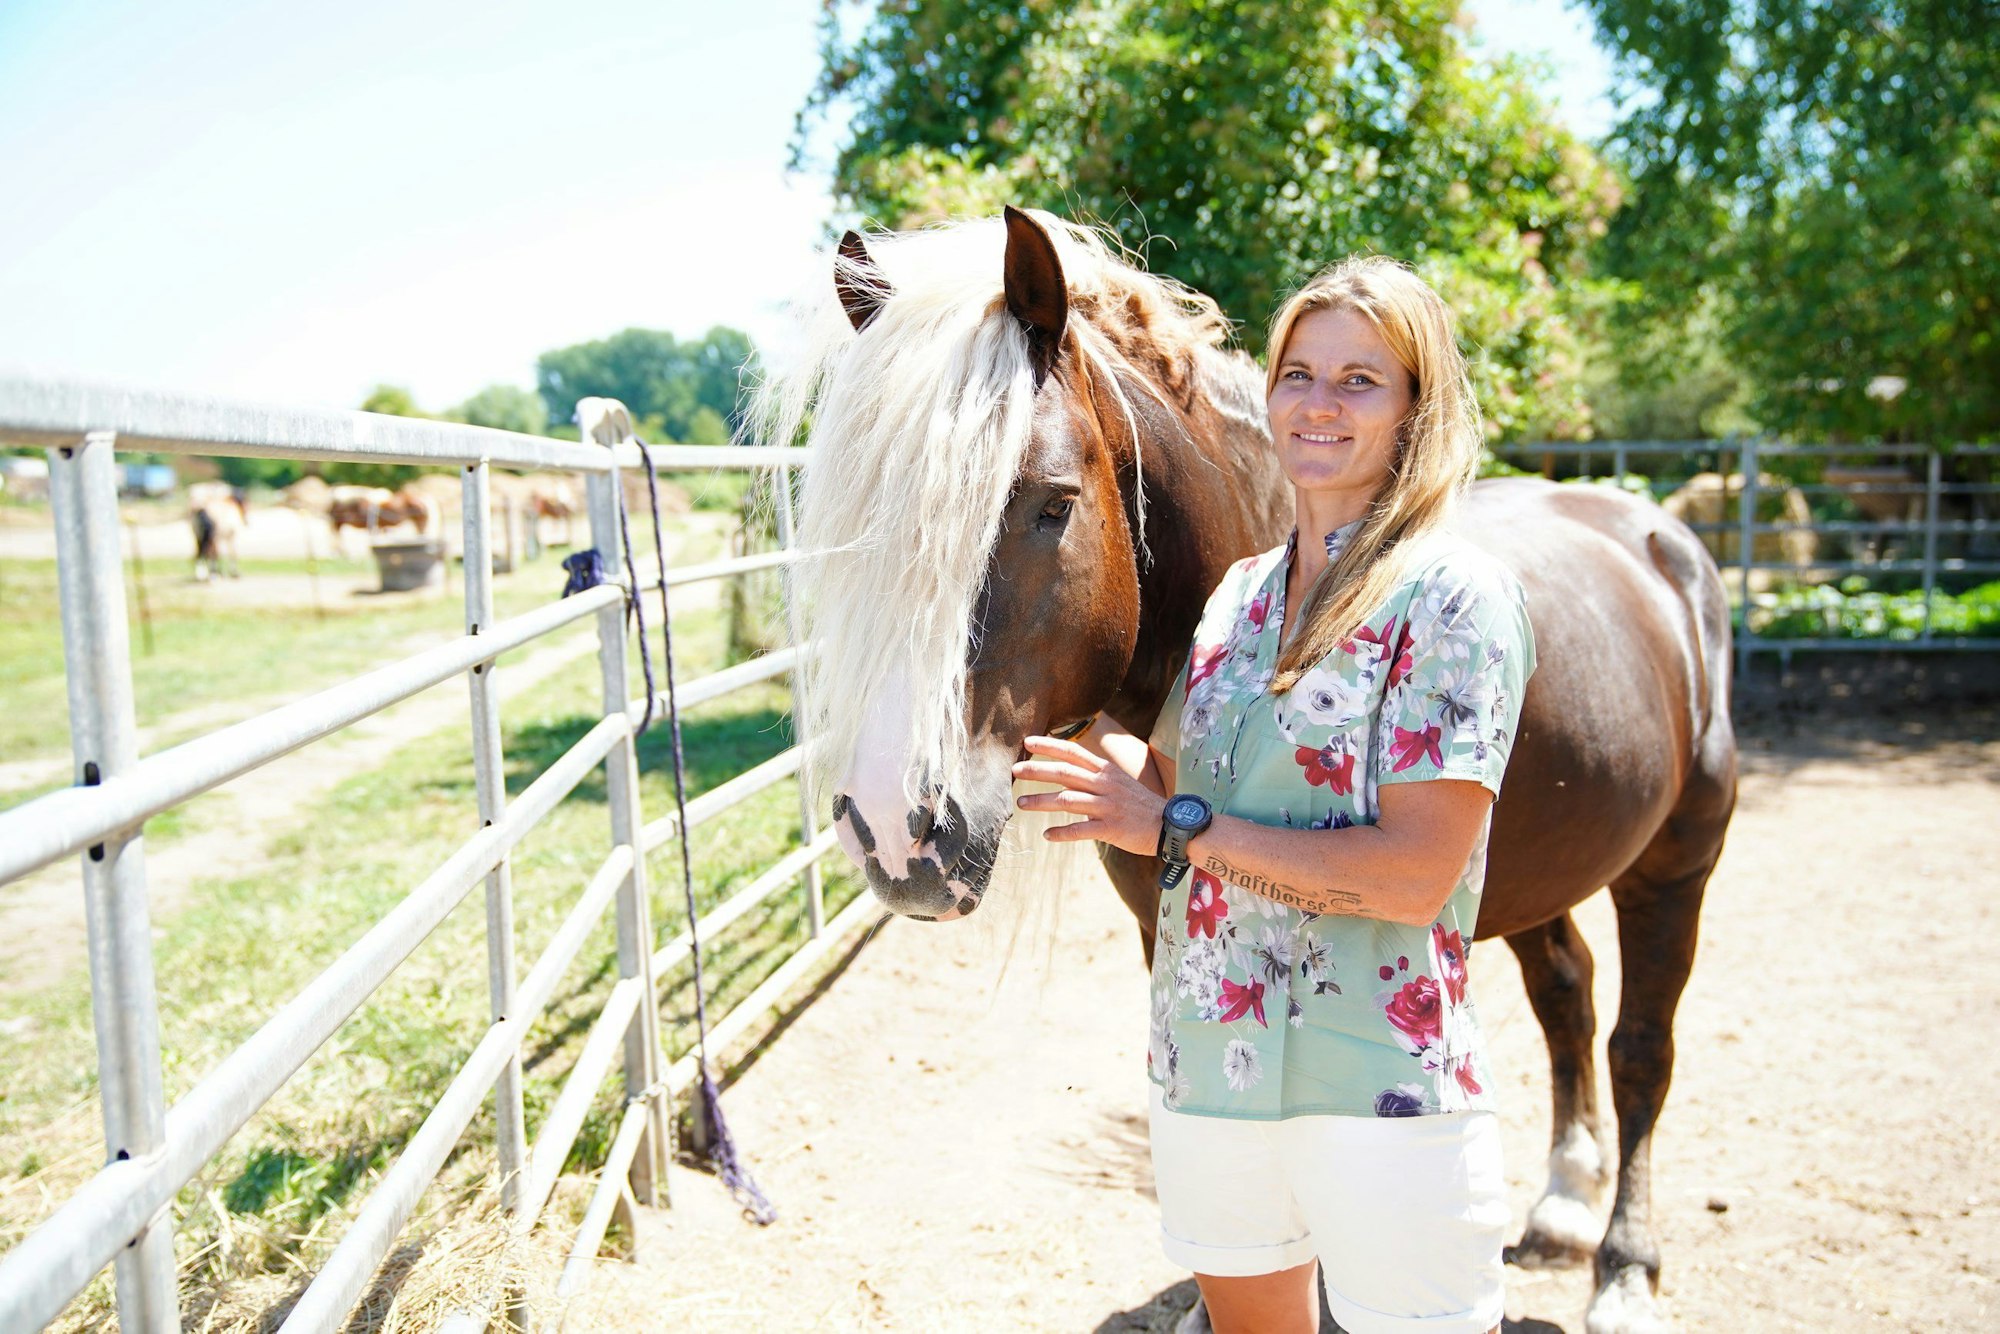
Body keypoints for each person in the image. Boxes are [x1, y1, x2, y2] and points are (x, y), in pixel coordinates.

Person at [1012, 256, 1535, 1334]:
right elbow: (1183, 780)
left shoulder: (1450, 597)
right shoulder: (1237, 597)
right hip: (1208, 1065)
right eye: (1299, 371)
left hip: (1379, 1084)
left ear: (1414, 408)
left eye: (1359, 379)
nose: (1317, 402)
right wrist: (1071, 741)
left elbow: (1409, 871)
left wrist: (1170, 827)